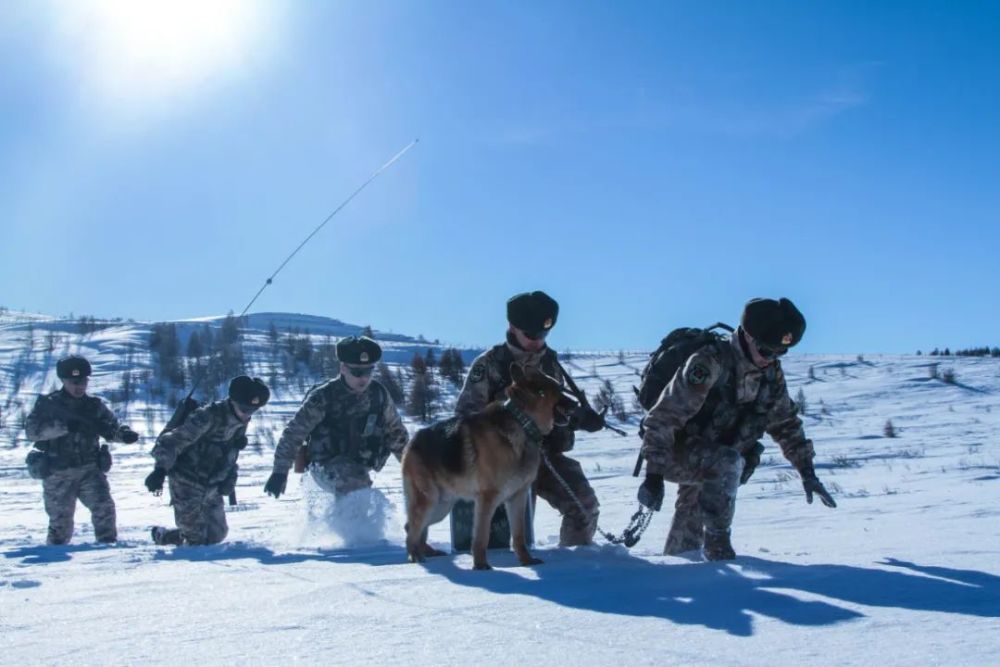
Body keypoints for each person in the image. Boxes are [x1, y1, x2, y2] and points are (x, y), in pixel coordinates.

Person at [636, 297, 837, 560]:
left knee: (697, 504)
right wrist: (653, 476)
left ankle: (680, 564)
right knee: (727, 463)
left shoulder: (770, 374)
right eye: (767, 351)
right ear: (748, 337)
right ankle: (718, 547)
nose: (772, 359)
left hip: (711, 458)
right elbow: (664, 418)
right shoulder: (709, 363)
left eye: (781, 352)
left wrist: (807, 473)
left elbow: (786, 424)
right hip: (675, 452)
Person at [455, 291, 606, 546]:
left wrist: (577, 419)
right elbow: (464, 420)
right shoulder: (490, 364)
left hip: (544, 458)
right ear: (512, 327)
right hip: (502, 465)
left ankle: (577, 569)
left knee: (585, 508)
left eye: (544, 335)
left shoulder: (550, 364)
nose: (538, 342)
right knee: (512, 536)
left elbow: (554, 411)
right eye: (531, 335)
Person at [264, 336, 408, 500]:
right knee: (355, 488)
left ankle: (352, 523)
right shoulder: (324, 396)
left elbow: (397, 434)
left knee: (359, 489)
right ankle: (354, 524)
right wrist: (280, 472)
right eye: (357, 372)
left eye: (369, 371)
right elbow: (294, 433)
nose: (364, 378)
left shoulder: (379, 394)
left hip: (359, 466)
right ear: (343, 369)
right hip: (324, 466)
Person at [24, 355, 139, 545]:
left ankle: (109, 554)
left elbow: (111, 427)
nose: (79, 386)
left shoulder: (94, 406)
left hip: (89, 471)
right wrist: (63, 427)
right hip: (58, 473)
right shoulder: (49, 405)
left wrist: (124, 435)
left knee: (105, 510)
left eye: (83, 381)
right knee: (60, 525)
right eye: (74, 382)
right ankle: (53, 566)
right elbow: (32, 432)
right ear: (63, 381)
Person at [146, 375, 270, 546]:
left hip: (211, 483)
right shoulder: (207, 417)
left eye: (252, 411)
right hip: (186, 481)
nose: (247, 414)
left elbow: (231, 455)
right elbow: (170, 442)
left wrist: (230, 478)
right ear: (232, 401)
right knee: (196, 540)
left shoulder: (241, 421)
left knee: (217, 534)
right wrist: (159, 471)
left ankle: (166, 536)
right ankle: (177, 540)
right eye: (244, 409)